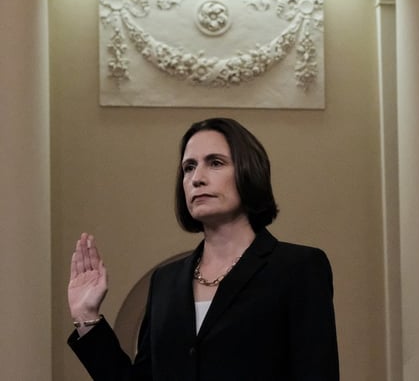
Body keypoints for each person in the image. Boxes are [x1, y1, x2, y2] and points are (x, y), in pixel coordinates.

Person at [67, 117, 340, 380]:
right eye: (189, 167)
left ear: (248, 171)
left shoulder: (298, 267)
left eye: (215, 163)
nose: (197, 178)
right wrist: (86, 317)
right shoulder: (165, 282)